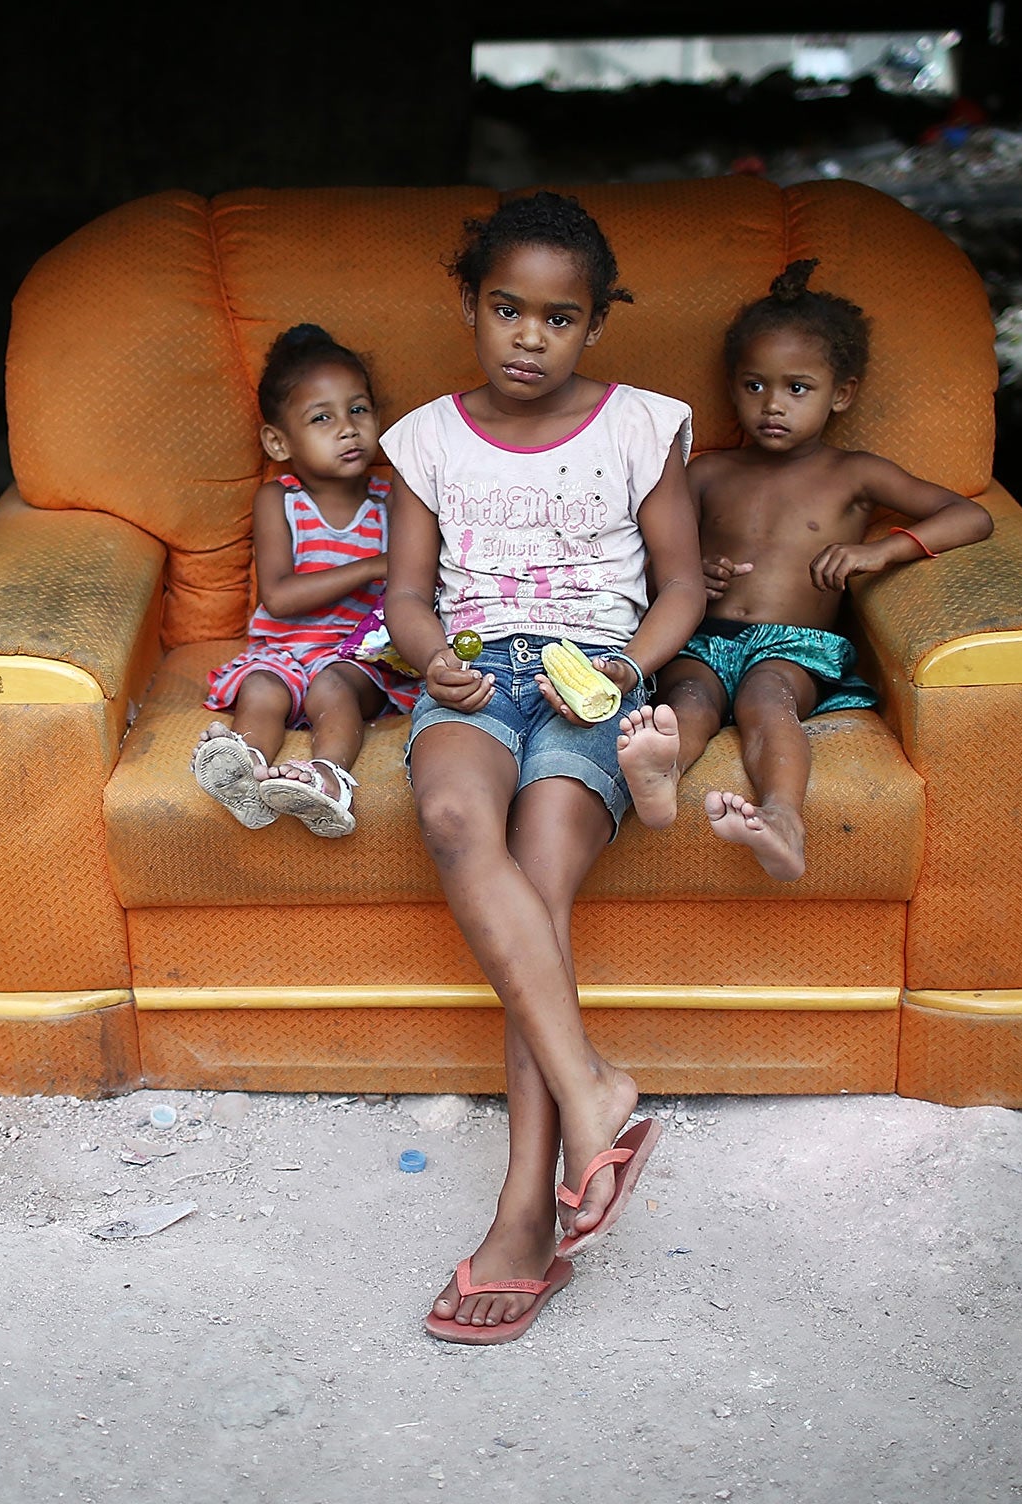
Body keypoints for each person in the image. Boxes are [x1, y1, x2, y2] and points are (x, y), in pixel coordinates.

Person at [380, 192, 707, 1342]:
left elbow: (677, 582)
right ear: (469, 306)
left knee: (539, 865)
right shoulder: (422, 439)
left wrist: (630, 663)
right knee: (461, 825)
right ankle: (590, 1097)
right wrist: (430, 660)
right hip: (473, 679)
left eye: (558, 319)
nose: (528, 337)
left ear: (591, 328)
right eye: (506, 310)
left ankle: (521, 1215)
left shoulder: (641, 426)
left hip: (592, 675)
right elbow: (409, 595)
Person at [616, 259, 994, 881]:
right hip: (702, 636)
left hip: (795, 648)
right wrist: (683, 575)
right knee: (685, 699)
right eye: (754, 385)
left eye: (798, 388)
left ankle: (783, 820)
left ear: (839, 393)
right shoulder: (706, 472)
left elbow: (968, 517)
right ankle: (658, 777)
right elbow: (650, 552)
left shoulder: (857, 473)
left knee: (769, 702)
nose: (772, 405)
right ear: (732, 385)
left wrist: (882, 551)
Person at [192, 324, 418, 839]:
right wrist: (372, 566)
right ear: (277, 441)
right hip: (283, 649)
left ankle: (327, 778)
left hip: (355, 656)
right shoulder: (280, 501)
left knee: (332, 686)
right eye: (322, 417)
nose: (347, 428)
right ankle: (242, 768)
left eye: (358, 410)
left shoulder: (393, 500)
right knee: (261, 688)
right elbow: (280, 596)